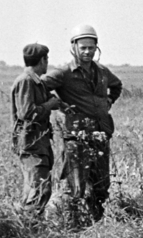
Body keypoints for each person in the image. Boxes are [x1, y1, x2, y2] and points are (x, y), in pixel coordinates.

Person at [44, 25, 123, 224]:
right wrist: (59, 104)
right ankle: (70, 225)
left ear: (97, 48)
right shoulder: (63, 73)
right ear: (74, 47)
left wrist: (109, 101)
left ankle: (97, 222)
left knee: (101, 184)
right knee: (75, 185)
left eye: (91, 47)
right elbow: (40, 86)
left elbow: (117, 85)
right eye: (83, 48)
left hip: (101, 134)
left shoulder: (103, 72)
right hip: (77, 137)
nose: (87, 52)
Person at [10, 43, 60, 214]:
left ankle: (27, 227)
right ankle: (29, 227)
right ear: (42, 61)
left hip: (38, 143)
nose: (47, 63)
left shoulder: (36, 82)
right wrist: (49, 105)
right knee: (38, 190)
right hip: (31, 144)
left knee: (36, 188)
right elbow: (27, 113)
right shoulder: (26, 81)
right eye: (46, 59)